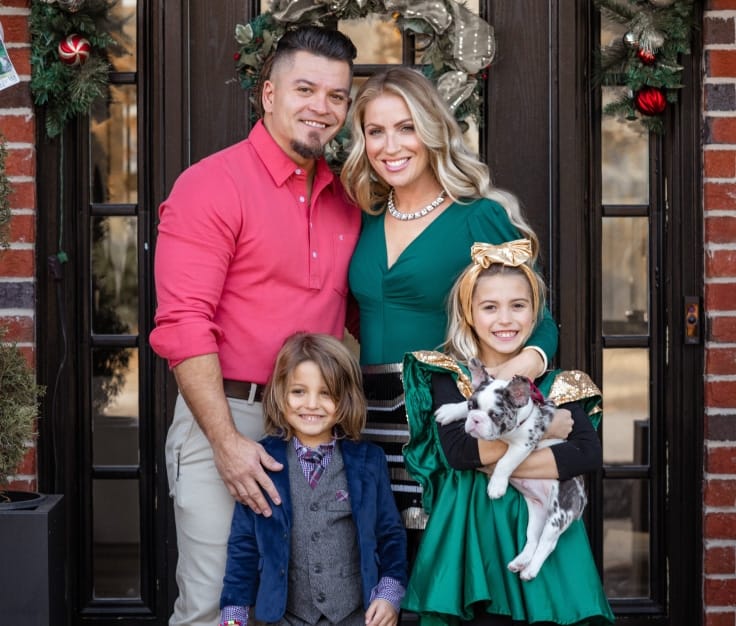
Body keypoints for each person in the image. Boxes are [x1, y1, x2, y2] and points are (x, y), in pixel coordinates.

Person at [149, 26, 360, 626]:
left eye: (337, 96)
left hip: (318, 424)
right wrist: (225, 442)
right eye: (305, 89)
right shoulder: (212, 185)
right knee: (217, 605)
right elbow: (184, 323)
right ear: (268, 94)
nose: (322, 107)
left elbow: (363, 313)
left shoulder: (348, 200)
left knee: (309, 605)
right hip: (231, 415)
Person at [339, 66, 565, 537]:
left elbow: (538, 320)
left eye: (406, 128)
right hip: (367, 420)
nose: (390, 146)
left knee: (440, 558)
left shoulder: (478, 217)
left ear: (433, 130)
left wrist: (508, 375)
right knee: (382, 559)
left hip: (446, 418)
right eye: (375, 131)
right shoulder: (363, 219)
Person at [400, 239, 615, 625]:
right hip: (472, 534)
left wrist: (494, 464)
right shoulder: (451, 379)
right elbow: (460, 453)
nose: (505, 319)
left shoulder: (558, 384)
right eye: (489, 307)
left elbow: (586, 454)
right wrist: (545, 428)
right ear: (469, 314)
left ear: (535, 315)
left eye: (518, 306)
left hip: (541, 532)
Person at [219, 332, 408, 626]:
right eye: (298, 391)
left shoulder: (368, 462)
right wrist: (233, 617)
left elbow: (390, 535)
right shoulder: (261, 462)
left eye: (326, 393)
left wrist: (390, 594)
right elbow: (243, 546)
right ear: (280, 394)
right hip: (286, 618)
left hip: (356, 616)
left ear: (344, 399)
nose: (311, 404)